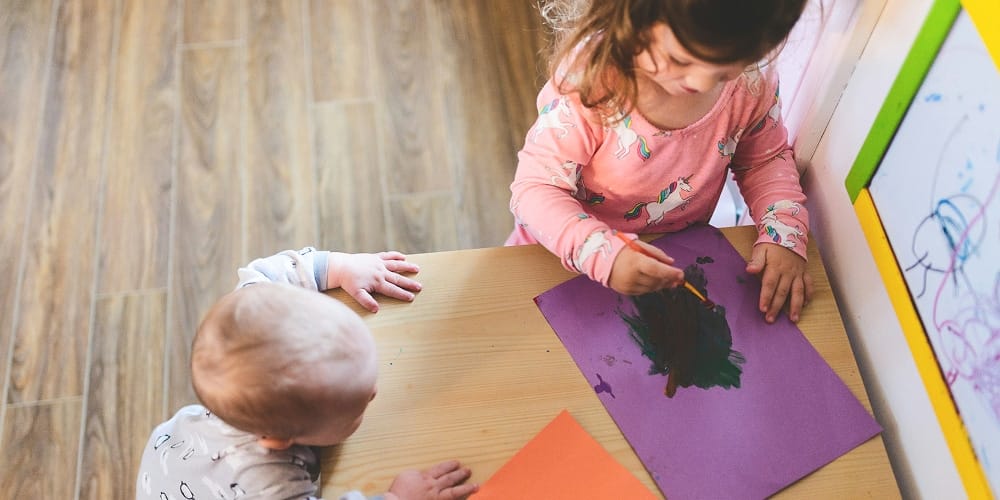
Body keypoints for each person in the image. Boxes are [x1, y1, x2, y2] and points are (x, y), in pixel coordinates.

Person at [507, 0, 815, 323]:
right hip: (557, 256)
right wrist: (602, 255)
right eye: (679, 59)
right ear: (634, 15)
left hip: (667, 267)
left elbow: (765, 160)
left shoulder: (750, 84)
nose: (702, 83)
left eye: (727, 68)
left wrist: (784, 233)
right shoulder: (591, 82)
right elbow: (534, 190)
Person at [135, 247, 479, 500]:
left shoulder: (256, 313)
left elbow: (269, 274)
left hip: (168, 457)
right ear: (280, 441)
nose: (374, 391)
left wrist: (339, 267)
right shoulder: (271, 485)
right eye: (356, 406)